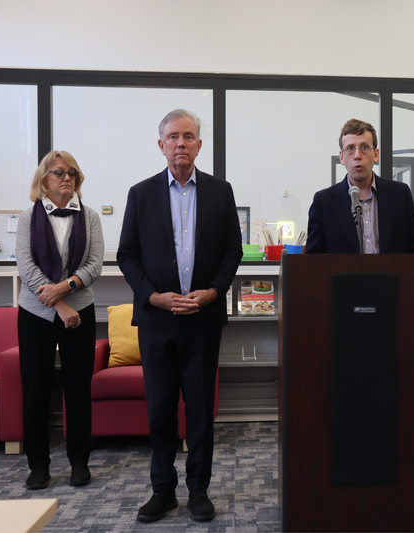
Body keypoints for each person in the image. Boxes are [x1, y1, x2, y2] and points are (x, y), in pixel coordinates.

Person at [117, 109, 242, 523]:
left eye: (188, 136)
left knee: (201, 410)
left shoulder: (220, 192)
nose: (181, 143)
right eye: (173, 137)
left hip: (202, 320)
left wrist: (213, 292)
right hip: (157, 320)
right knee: (160, 410)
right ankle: (162, 490)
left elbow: (231, 252)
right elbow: (127, 255)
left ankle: (199, 491)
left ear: (199, 144)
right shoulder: (141, 193)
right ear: (161, 145)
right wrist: (153, 297)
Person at [15, 150, 104, 490]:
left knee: (78, 388)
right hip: (36, 311)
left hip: (81, 309)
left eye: (72, 174)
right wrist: (59, 306)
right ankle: (38, 465)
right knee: (35, 388)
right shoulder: (27, 217)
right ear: (43, 180)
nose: (66, 178)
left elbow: (94, 265)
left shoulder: (91, 217)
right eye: (58, 173)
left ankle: (79, 462)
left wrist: (66, 291)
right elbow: (26, 266)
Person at [305, 118, 414, 254]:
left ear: (376, 155)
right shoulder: (324, 201)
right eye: (350, 149)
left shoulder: (400, 194)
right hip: (342, 276)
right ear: (341, 157)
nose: (357, 155)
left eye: (364, 147)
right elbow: (313, 259)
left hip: (391, 276)